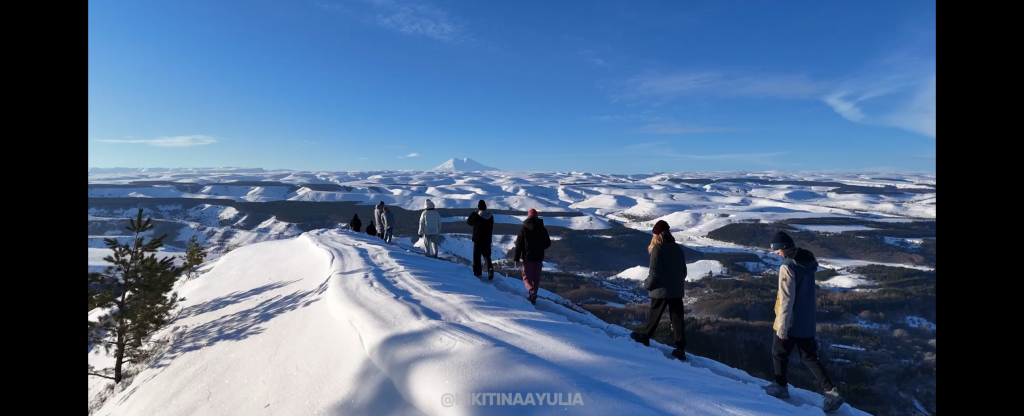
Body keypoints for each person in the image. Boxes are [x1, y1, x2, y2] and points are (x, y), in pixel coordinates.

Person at [762, 231, 844, 413]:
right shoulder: (807, 264)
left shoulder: (787, 268)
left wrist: (782, 326)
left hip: (790, 321)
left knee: (779, 353)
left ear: (783, 248)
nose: (776, 253)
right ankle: (831, 392)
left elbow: (786, 299)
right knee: (810, 357)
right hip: (807, 320)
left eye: (777, 250)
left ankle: (781, 387)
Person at [629, 220, 688, 361]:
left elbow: (655, 273)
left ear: (656, 235)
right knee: (678, 319)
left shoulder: (658, 249)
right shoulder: (678, 248)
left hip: (661, 290)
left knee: (654, 314)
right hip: (676, 290)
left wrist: (647, 284)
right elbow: (683, 271)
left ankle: (645, 337)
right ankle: (680, 349)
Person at [513, 208, 551, 305]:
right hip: (539, 256)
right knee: (536, 277)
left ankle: (531, 291)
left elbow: (519, 245)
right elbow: (548, 243)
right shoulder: (542, 228)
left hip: (528, 256)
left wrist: (516, 258)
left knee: (526, 276)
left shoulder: (524, 228)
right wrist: (540, 247)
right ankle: (534, 295)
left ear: (528, 216)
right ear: (537, 216)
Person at [467, 199, 495, 280]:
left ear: (479, 208)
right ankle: (490, 268)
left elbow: (469, 222)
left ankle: (478, 273)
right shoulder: (491, 217)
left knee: (477, 256)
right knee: (487, 255)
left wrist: (474, 213)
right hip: (487, 239)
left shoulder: (477, 216)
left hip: (478, 240)